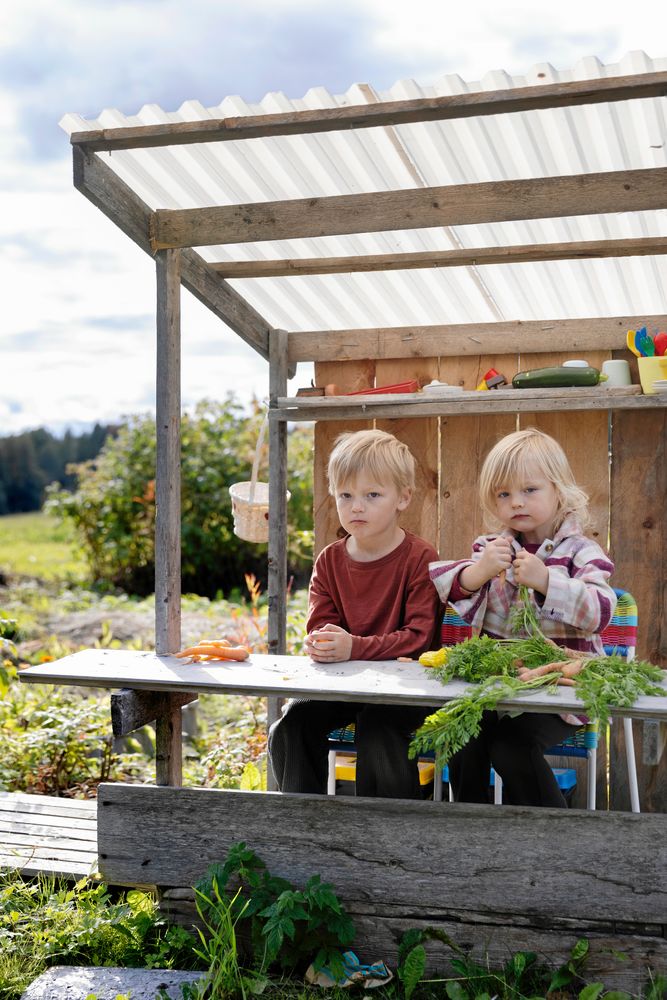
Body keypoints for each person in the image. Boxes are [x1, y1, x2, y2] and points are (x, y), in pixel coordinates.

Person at [429, 428, 617, 808]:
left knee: (512, 748)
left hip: (561, 689)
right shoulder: (491, 548)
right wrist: (479, 571)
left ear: (558, 490)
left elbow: (600, 611)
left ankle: (551, 832)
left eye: (529, 490)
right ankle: (469, 824)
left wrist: (547, 581)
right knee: (461, 734)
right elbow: (455, 590)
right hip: (500, 684)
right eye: (504, 494)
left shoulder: (581, 551)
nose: (516, 502)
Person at [268, 429, 442, 799]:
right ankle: (303, 821)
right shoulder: (330, 561)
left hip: (406, 690)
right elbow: (321, 627)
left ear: (403, 498)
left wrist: (353, 647)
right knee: (292, 725)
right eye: (345, 495)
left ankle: (389, 827)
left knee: (379, 727)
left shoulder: (419, 558)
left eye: (372, 495)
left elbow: (419, 638)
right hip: (345, 685)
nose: (356, 507)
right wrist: (323, 643)